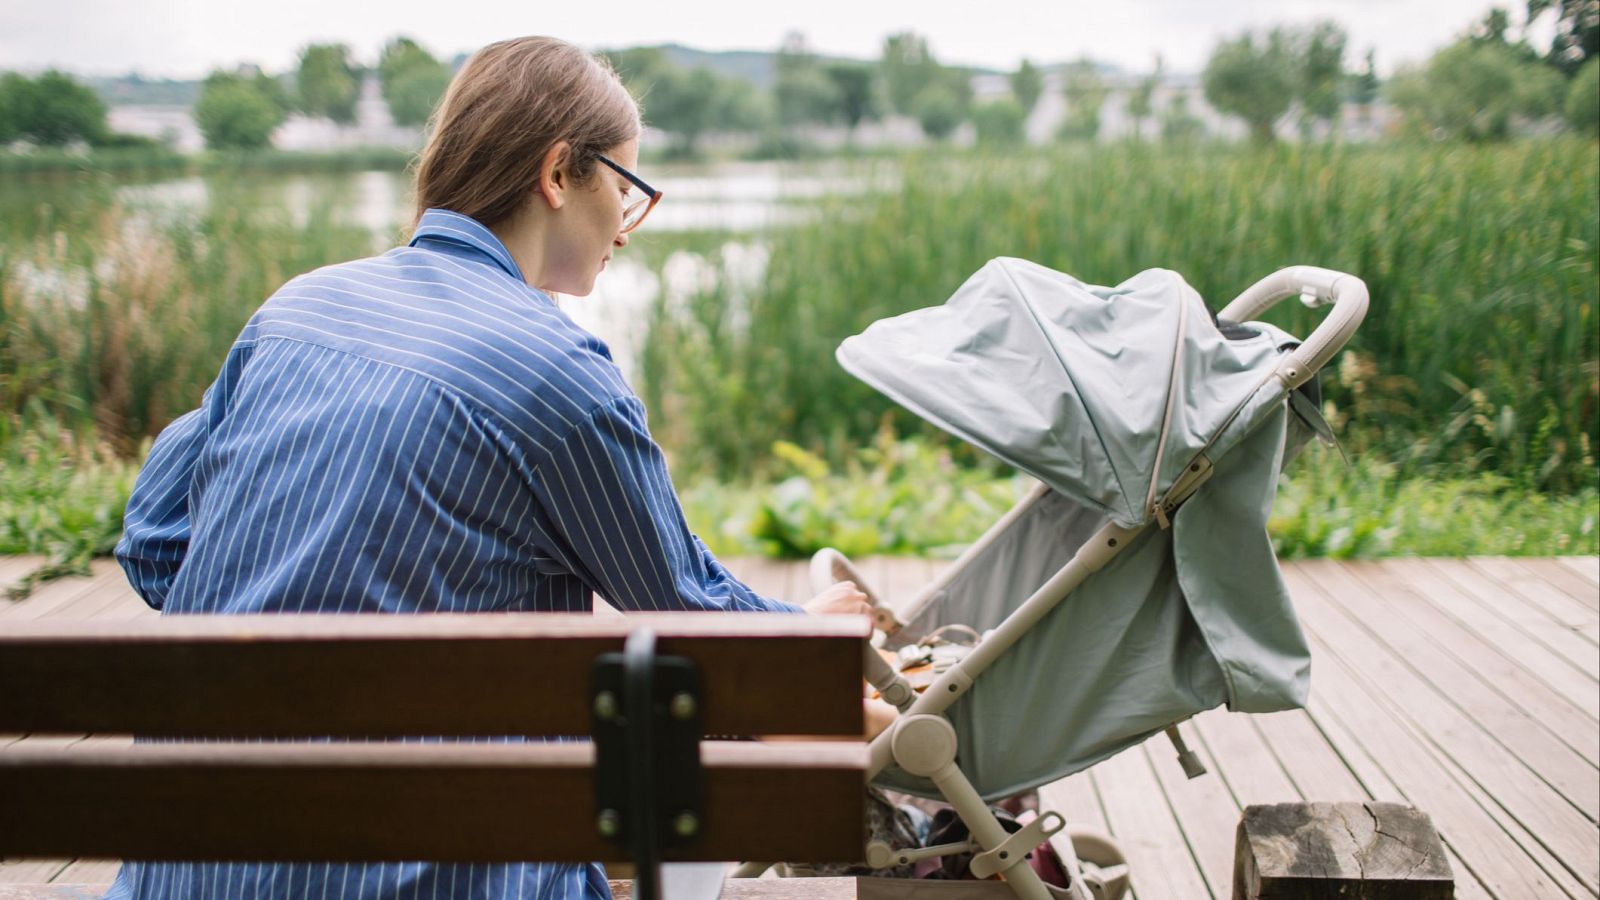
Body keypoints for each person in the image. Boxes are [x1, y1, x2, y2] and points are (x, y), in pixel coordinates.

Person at [106, 35, 869, 900]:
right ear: (558, 174)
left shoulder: (296, 308)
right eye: (626, 187)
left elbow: (155, 547)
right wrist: (805, 642)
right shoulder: (557, 370)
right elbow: (684, 608)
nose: (626, 227)